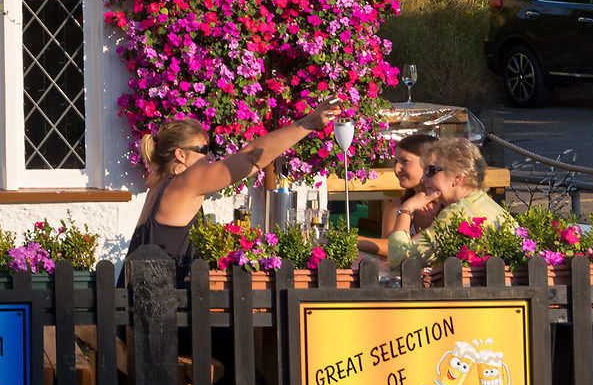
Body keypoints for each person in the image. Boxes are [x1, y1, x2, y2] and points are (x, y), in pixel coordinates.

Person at [131, 109, 333, 280]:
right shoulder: (185, 183)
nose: (209, 156)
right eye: (203, 149)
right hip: (167, 313)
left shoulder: (160, 187)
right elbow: (252, 158)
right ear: (180, 154)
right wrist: (310, 122)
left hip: (143, 307)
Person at [387, 137, 512, 265]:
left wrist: (406, 209)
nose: (423, 179)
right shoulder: (484, 202)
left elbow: (399, 259)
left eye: (430, 171)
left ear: (457, 177)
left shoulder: (456, 214)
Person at [354, 132, 439, 260]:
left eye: (405, 161)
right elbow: (386, 254)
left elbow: (393, 248)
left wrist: (352, 241)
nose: (396, 169)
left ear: (429, 163)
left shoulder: (445, 205)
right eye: (396, 161)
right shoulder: (396, 206)